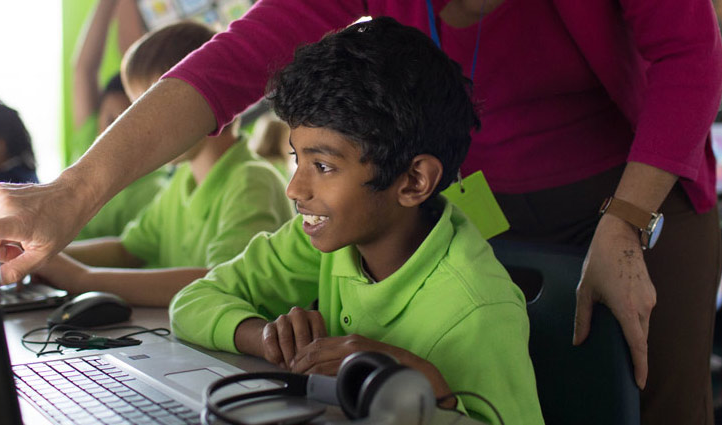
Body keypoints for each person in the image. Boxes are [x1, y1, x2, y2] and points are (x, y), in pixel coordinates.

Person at [0, 1, 722, 423]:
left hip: (637, 187)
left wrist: (627, 218)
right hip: (475, 204)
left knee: (657, 404)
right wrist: (71, 194)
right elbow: (229, 64)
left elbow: (691, 55)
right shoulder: (361, 235)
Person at [170, 18, 540, 423]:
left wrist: (431, 390)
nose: (294, 189)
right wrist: (269, 340)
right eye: (298, 158)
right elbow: (192, 302)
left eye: (323, 166)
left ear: (414, 181)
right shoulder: (330, 239)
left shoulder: (478, 309)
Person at [33, 21, 293, 307]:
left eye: (150, 110)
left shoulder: (252, 182)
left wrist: (83, 279)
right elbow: (129, 250)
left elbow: (223, 284)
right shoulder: (181, 182)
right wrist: (41, 255)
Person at [70, 0, 167, 241]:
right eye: (110, 120)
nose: (112, 132)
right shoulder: (90, 144)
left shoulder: (153, 184)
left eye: (126, 122)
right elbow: (84, 69)